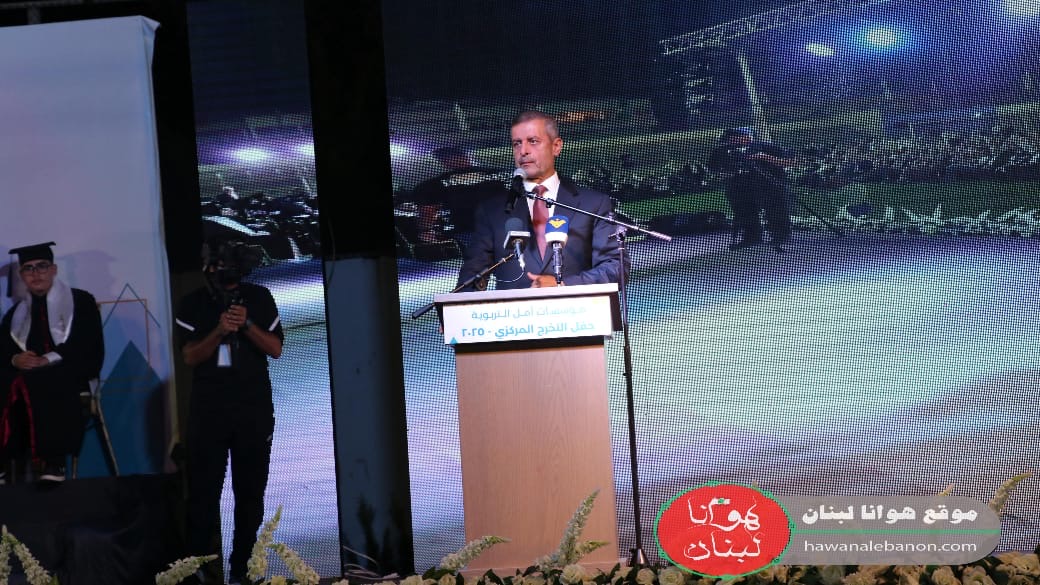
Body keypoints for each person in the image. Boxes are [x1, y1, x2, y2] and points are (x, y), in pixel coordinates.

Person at [176, 239, 283, 585]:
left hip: (252, 410)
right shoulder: (192, 303)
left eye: (231, 267)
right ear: (208, 267)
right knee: (203, 496)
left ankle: (243, 571)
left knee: (250, 495)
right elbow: (190, 356)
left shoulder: (259, 298)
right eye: (219, 266)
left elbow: (275, 348)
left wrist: (247, 324)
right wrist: (220, 330)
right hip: (209, 412)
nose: (225, 273)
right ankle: (196, 572)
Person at [457, 110, 623, 290]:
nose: (523, 151)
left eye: (533, 141)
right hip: (514, 308)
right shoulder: (492, 211)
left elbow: (616, 268)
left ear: (556, 146)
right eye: (517, 143)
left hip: (577, 307)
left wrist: (563, 285)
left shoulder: (593, 204)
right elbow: (470, 280)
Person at [0, 241, 103, 484]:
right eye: (28, 268)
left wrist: (47, 359)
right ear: (22, 275)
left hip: (68, 371)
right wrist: (15, 359)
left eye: (42, 266)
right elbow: (3, 351)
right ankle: (2, 464)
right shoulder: (15, 314)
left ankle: (53, 462)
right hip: (26, 377)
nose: (36, 274)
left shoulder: (81, 301)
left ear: (54, 270)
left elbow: (88, 345)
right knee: (7, 381)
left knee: (47, 378)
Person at [707, 127, 795, 251]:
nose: (732, 141)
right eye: (731, 138)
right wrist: (723, 174)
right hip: (740, 187)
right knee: (745, 211)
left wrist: (765, 158)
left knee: (775, 210)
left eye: (735, 138)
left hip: (768, 185)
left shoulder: (766, 147)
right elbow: (713, 168)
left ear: (747, 137)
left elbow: (789, 161)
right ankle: (752, 237)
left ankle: (781, 235)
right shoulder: (722, 151)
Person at [411, 145, 503, 247]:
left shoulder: (435, 184)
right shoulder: (501, 175)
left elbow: (428, 211)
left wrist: (426, 230)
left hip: (471, 231)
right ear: (468, 156)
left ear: (444, 161)